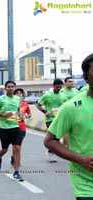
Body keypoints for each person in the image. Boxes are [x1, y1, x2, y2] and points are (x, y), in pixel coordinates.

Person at [44, 53, 93, 200]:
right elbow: (49, 140)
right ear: (85, 77)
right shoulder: (70, 107)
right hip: (87, 186)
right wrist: (80, 159)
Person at [0, 80, 24, 181]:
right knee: (5, 149)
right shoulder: (1, 99)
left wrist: (20, 116)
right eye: (9, 87)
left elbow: (18, 111)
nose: (10, 88)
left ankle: (16, 171)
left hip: (15, 126)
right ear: (5, 88)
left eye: (12, 87)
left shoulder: (17, 98)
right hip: (3, 127)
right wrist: (3, 115)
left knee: (17, 148)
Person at [37, 79, 67, 162]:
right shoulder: (47, 95)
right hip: (49, 119)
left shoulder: (63, 96)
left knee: (58, 137)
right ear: (53, 86)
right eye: (57, 87)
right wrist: (45, 112)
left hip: (59, 118)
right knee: (53, 136)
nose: (59, 89)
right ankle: (50, 154)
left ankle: (50, 151)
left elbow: (66, 106)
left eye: (60, 87)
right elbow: (38, 105)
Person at [10, 88, 32, 167]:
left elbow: (29, 114)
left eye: (20, 93)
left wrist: (27, 115)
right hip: (12, 127)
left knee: (18, 145)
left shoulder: (25, 105)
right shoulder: (11, 103)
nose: (19, 94)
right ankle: (16, 160)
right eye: (17, 93)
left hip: (22, 128)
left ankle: (14, 157)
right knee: (15, 145)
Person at [60, 76, 79, 148]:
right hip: (66, 114)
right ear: (65, 83)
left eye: (72, 81)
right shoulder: (62, 92)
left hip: (76, 114)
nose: (71, 83)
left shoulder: (76, 91)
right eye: (69, 81)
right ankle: (67, 149)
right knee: (67, 132)